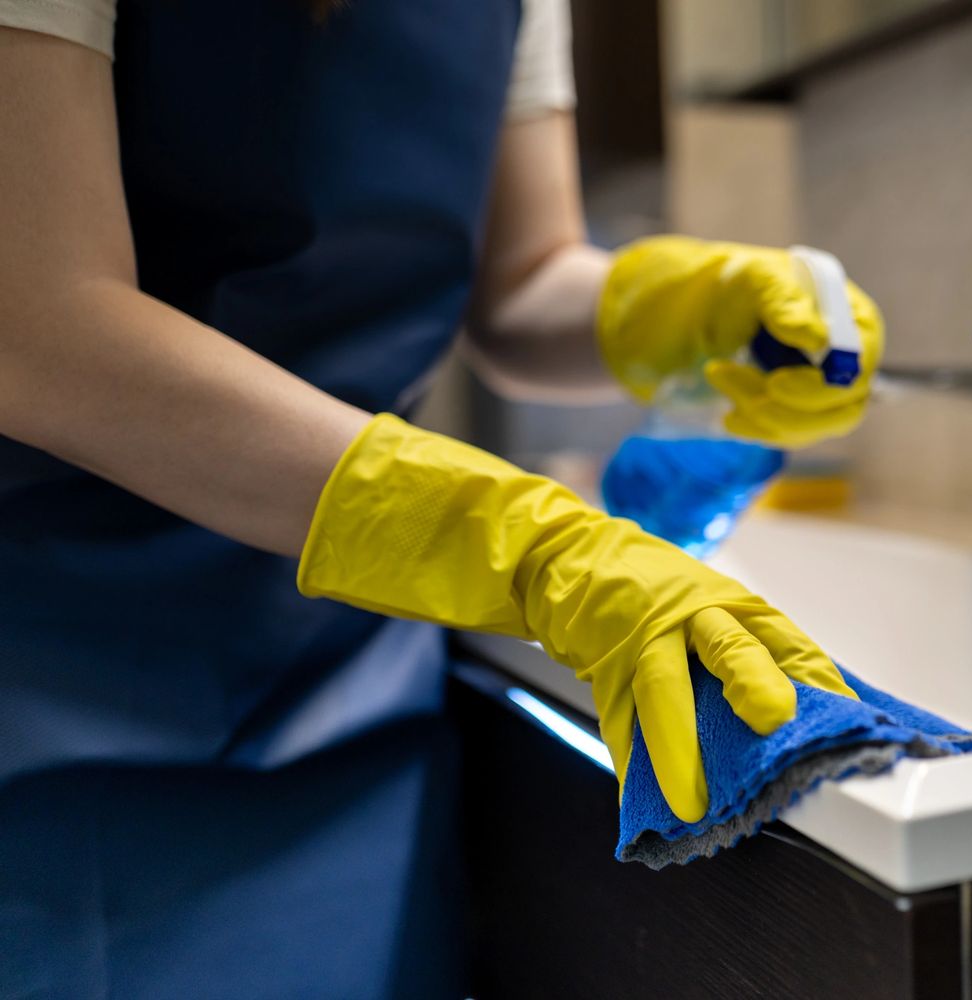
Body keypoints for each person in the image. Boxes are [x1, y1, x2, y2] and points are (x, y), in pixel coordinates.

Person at [0, 0, 884, 996]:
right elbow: (36, 324)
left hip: (349, 666)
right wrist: (520, 544)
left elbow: (523, 282)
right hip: (64, 674)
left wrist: (692, 309)